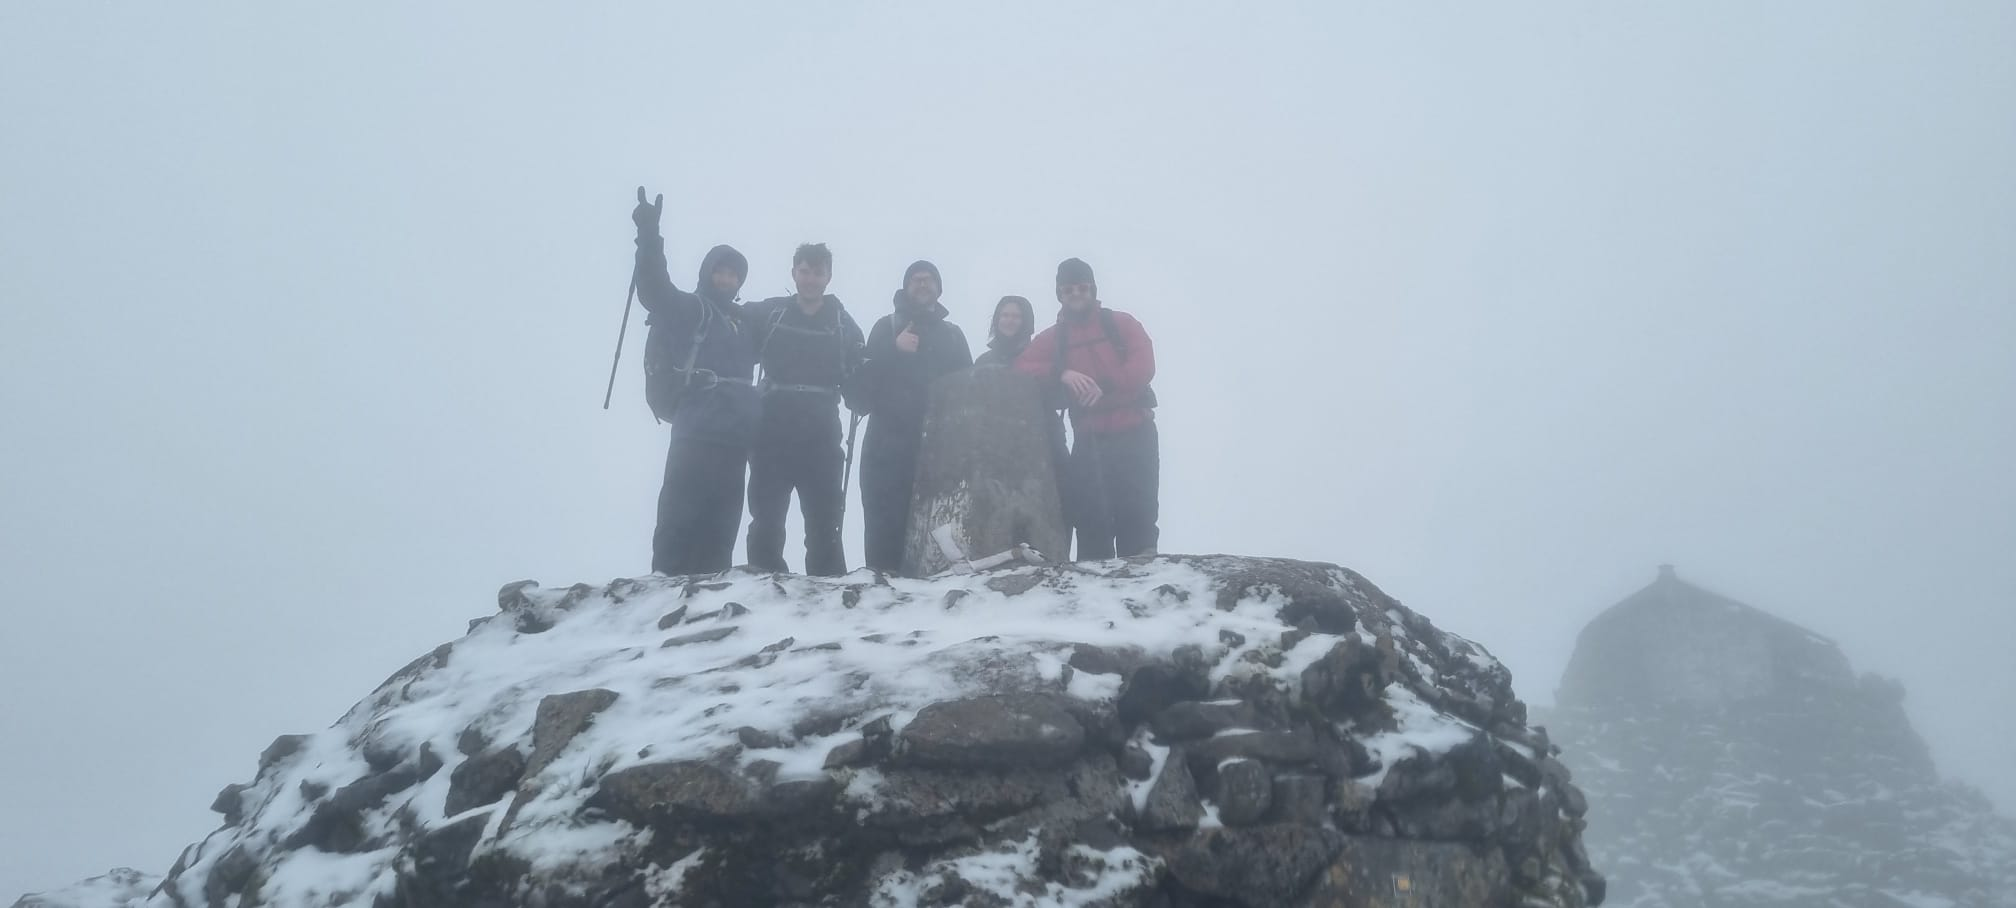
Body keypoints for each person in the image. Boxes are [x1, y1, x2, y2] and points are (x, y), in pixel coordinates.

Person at [631, 188, 759, 576]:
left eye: (734, 273)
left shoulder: (743, 323)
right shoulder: (691, 308)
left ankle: (708, 604)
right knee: (678, 521)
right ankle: (663, 595)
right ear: (707, 273)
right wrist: (649, 237)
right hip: (696, 428)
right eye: (721, 270)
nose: (727, 278)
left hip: (734, 438)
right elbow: (654, 290)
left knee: (721, 528)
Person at [1013, 257, 1158, 560]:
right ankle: (1094, 585)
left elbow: (1144, 366)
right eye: (1068, 290)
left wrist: (1103, 384)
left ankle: (1142, 575)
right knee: (1092, 515)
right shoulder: (1055, 338)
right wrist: (1060, 373)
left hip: (1135, 430)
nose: (1076, 294)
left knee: (1138, 507)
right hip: (1090, 438)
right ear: (1060, 295)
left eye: (1082, 287)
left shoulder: (1121, 323)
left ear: (1092, 289)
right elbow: (1021, 367)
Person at [742, 243, 865, 576]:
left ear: (829, 276)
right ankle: (763, 583)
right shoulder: (769, 314)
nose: (811, 279)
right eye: (805, 271)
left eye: (818, 272)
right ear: (794, 272)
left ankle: (827, 590)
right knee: (767, 518)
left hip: (821, 436)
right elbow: (728, 326)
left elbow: (860, 377)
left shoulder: (843, 323)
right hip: (771, 432)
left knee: (825, 521)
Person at [845, 260, 973, 573]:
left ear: (940, 289)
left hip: (938, 449)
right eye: (915, 279)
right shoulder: (886, 327)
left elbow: (969, 391)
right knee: (883, 524)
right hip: (887, 445)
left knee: (938, 529)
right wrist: (893, 348)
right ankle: (882, 592)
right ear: (905, 287)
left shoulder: (953, 335)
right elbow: (858, 392)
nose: (922, 284)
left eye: (929, 279)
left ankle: (929, 603)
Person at [975, 295, 1036, 366]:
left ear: (1026, 322)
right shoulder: (983, 362)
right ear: (997, 319)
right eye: (1005, 315)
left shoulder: (1037, 360)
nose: (1010, 320)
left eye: (1016, 316)